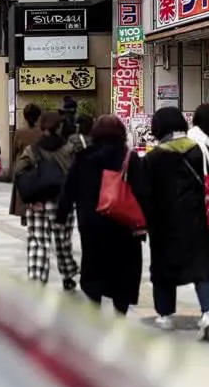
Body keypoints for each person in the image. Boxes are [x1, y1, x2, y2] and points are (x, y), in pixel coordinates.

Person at [142, 107, 209, 342]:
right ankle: (207, 313)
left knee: (163, 269)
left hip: (164, 223)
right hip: (198, 220)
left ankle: (165, 314)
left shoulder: (153, 158)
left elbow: (145, 194)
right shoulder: (203, 152)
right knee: (202, 269)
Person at [56, 116, 147, 315]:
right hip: (124, 224)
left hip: (91, 223)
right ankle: (119, 314)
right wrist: (146, 224)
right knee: (125, 268)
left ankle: (93, 308)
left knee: (93, 265)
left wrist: (61, 216)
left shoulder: (84, 156)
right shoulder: (129, 157)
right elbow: (142, 192)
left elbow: (69, 188)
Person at [12, 111, 78, 290]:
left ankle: (36, 279)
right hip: (63, 203)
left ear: (42, 128)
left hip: (38, 203)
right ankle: (68, 274)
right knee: (63, 241)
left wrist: (30, 197)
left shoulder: (32, 150)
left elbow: (19, 171)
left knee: (38, 242)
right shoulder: (69, 149)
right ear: (59, 127)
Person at [9, 103, 43, 224]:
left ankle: (24, 217)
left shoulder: (19, 133)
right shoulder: (42, 132)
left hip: (23, 167)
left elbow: (14, 152)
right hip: (39, 168)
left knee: (23, 194)